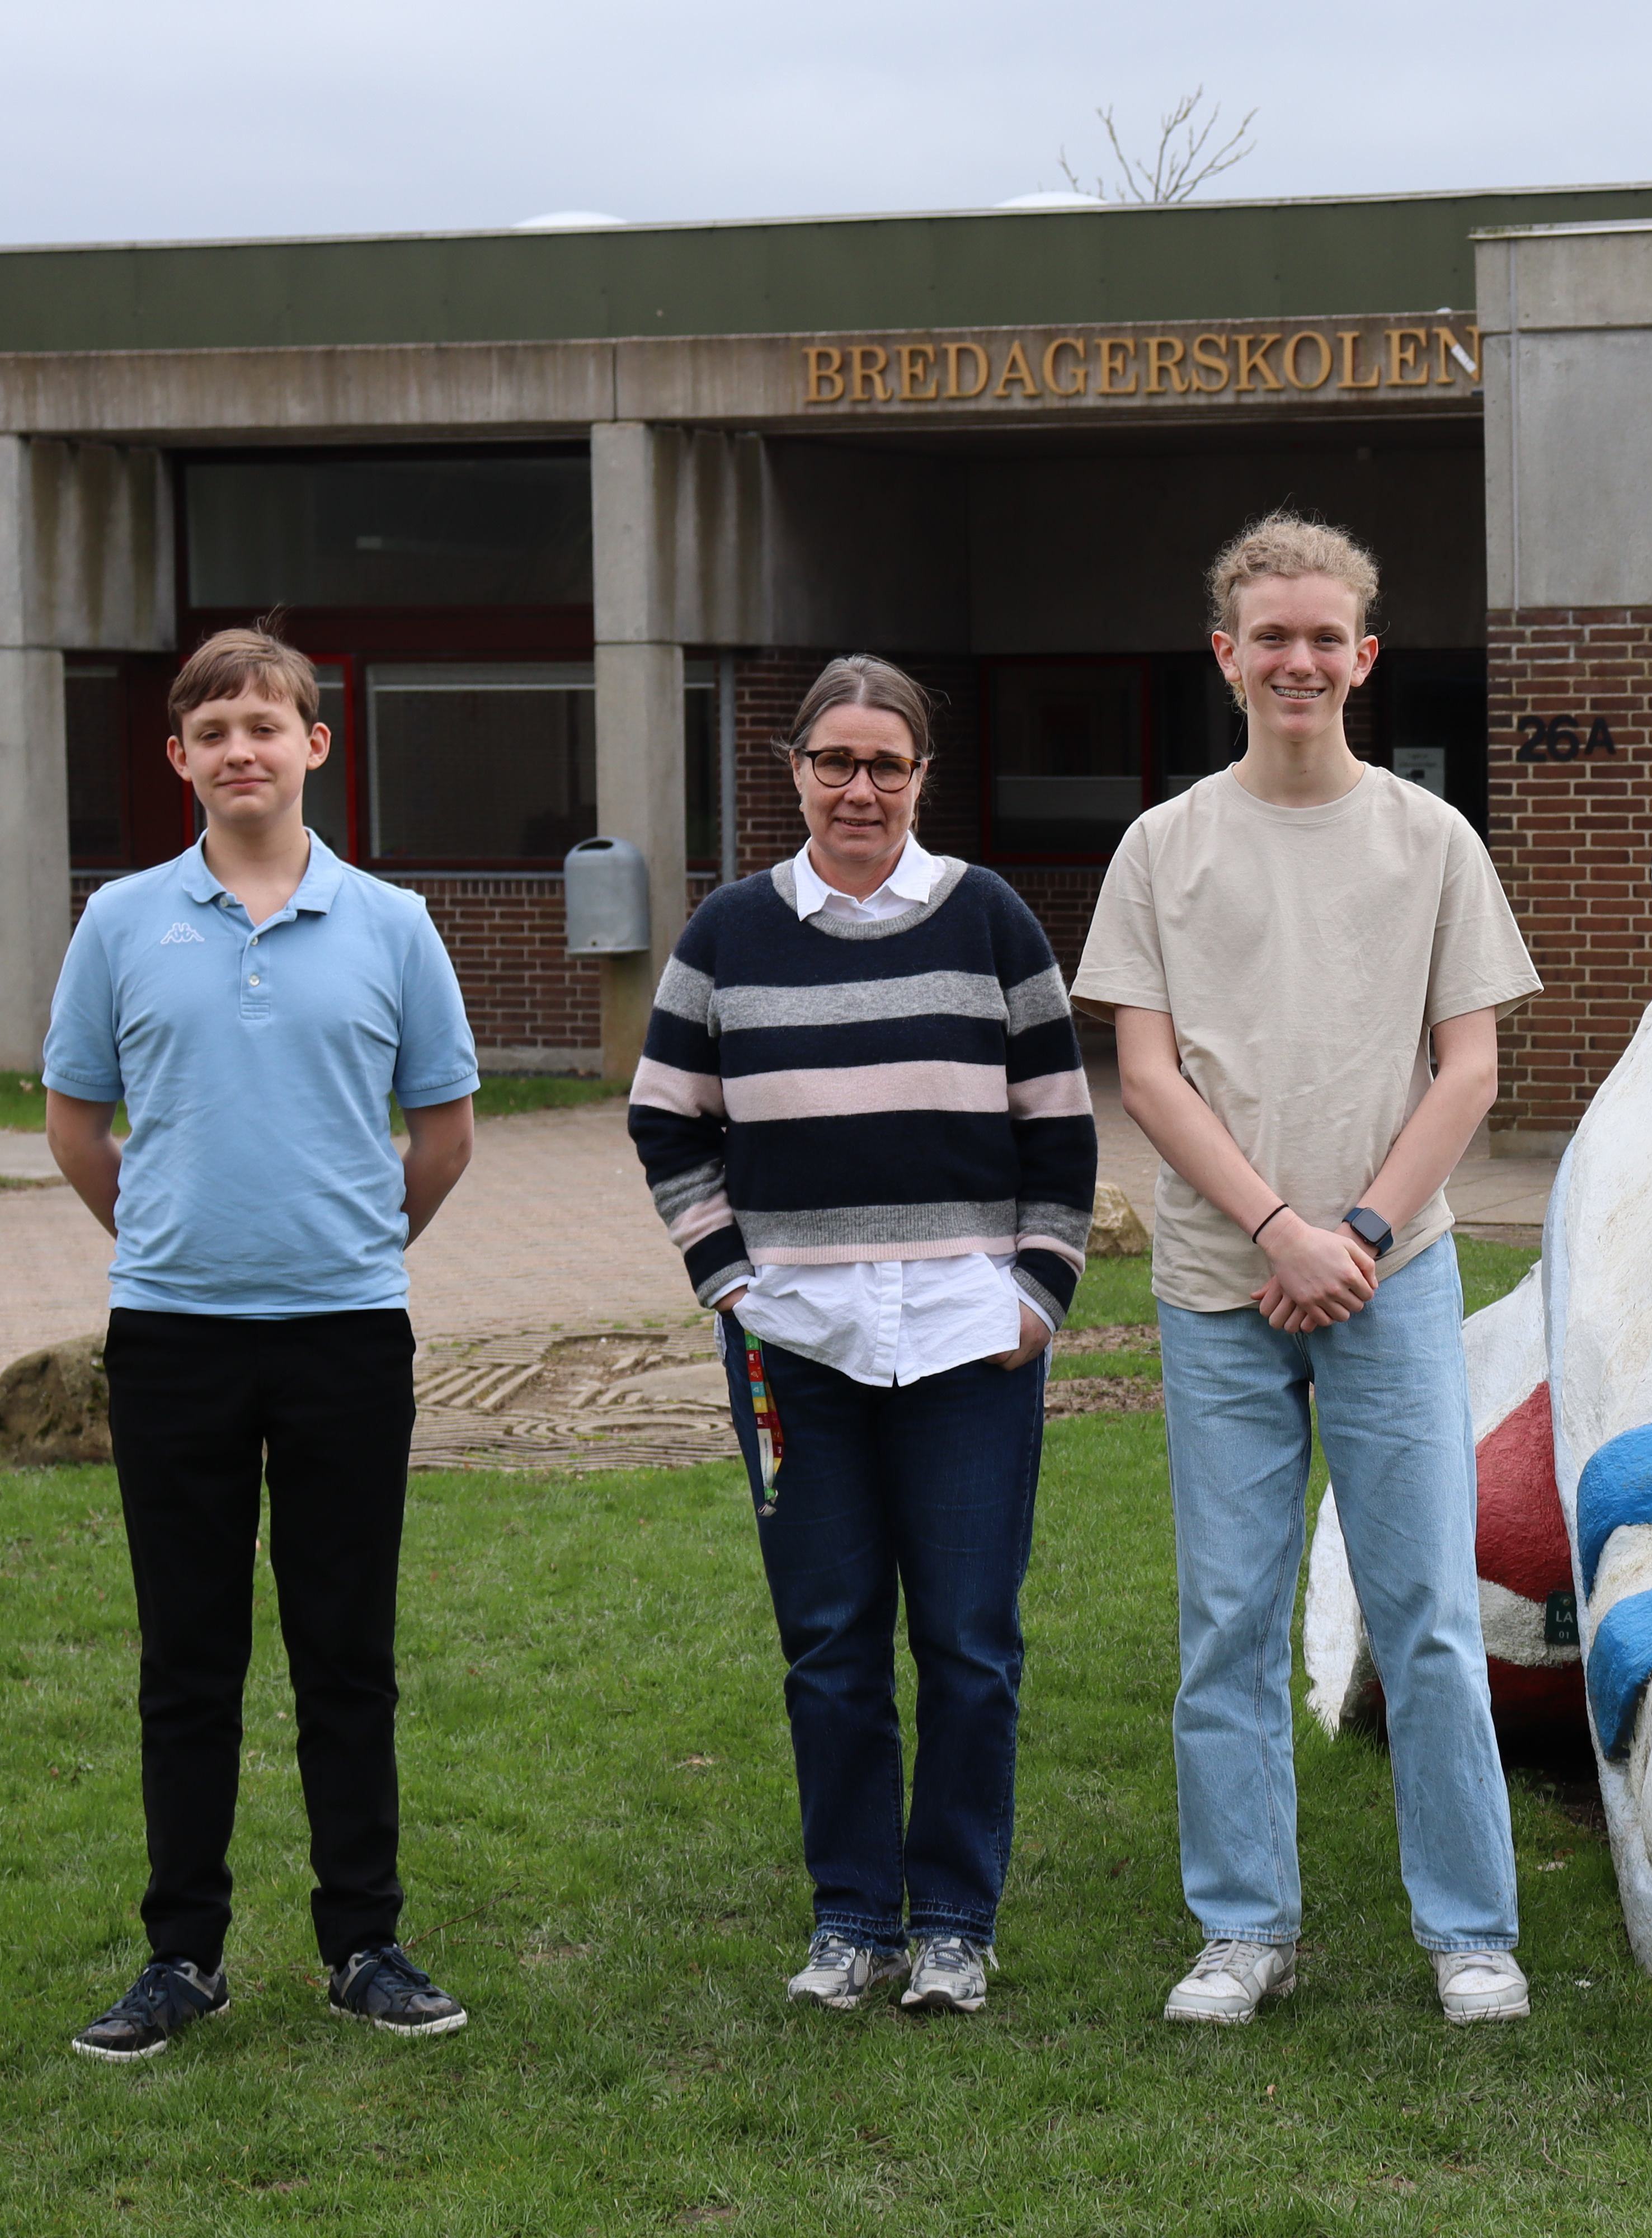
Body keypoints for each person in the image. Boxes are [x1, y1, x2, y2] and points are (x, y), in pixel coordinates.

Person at [1072, 512, 1541, 2028]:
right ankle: (1245, 1931)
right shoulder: (1166, 846)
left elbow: (1469, 1071)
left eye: (1324, 636)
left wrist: (1362, 1235)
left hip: (1389, 1280)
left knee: (1426, 1611)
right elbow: (1145, 1072)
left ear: (1365, 657)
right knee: (1227, 1616)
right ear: (1228, 655)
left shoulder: (1432, 842)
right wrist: (1280, 1226)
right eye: (1270, 636)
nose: (1298, 659)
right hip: (1223, 1285)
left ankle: (1471, 1934)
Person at [629, 655, 1096, 2017]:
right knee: (830, 1639)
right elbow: (667, 1116)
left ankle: (952, 1917)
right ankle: (852, 1918)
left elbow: (1061, 1121)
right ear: (795, 771)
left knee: (968, 1640)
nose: (860, 786)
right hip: (797, 1345)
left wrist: (1039, 1293)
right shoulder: (727, 933)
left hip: (967, 1341)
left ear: (920, 778)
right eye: (835, 760)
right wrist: (727, 1277)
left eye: (886, 763)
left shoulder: (992, 921)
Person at [46, 624, 481, 2062]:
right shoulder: (118, 922)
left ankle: (365, 1939)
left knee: (344, 1650)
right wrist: (176, 1233)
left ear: (317, 745)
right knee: (190, 1657)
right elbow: (76, 1123)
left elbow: (443, 1132)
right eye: (215, 729)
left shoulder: (394, 923)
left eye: (267, 724)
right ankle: (183, 1955)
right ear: (180, 758)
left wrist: (347, 1245)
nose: (244, 748)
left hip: (348, 1336)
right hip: (171, 1337)